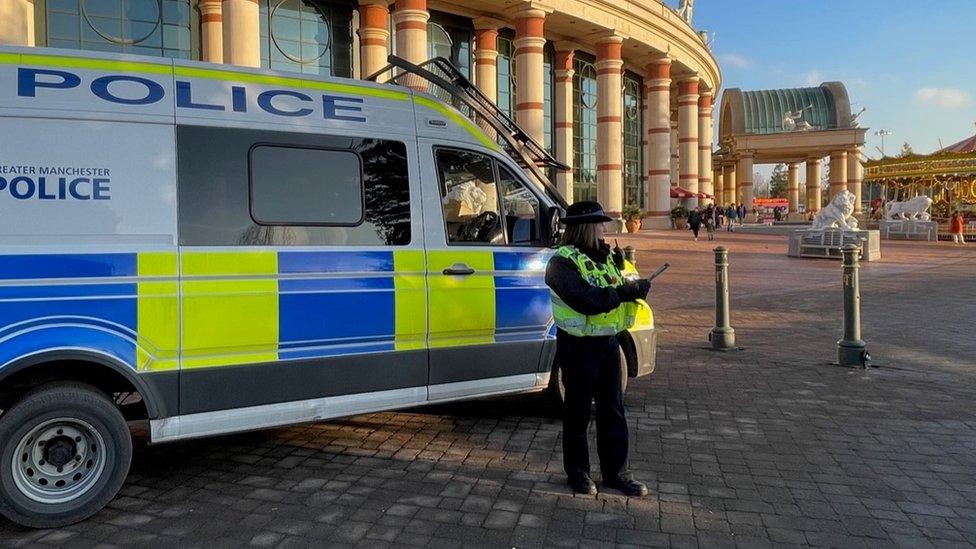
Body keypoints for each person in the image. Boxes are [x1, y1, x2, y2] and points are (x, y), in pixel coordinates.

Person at [545, 201, 651, 497]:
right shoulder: (561, 263)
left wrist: (633, 282)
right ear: (585, 227)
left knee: (613, 411)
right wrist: (623, 292)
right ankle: (578, 473)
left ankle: (617, 474)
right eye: (599, 224)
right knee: (578, 412)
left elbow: (621, 283)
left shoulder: (606, 257)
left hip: (608, 343)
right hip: (578, 347)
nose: (603, 230)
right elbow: (586, 299)